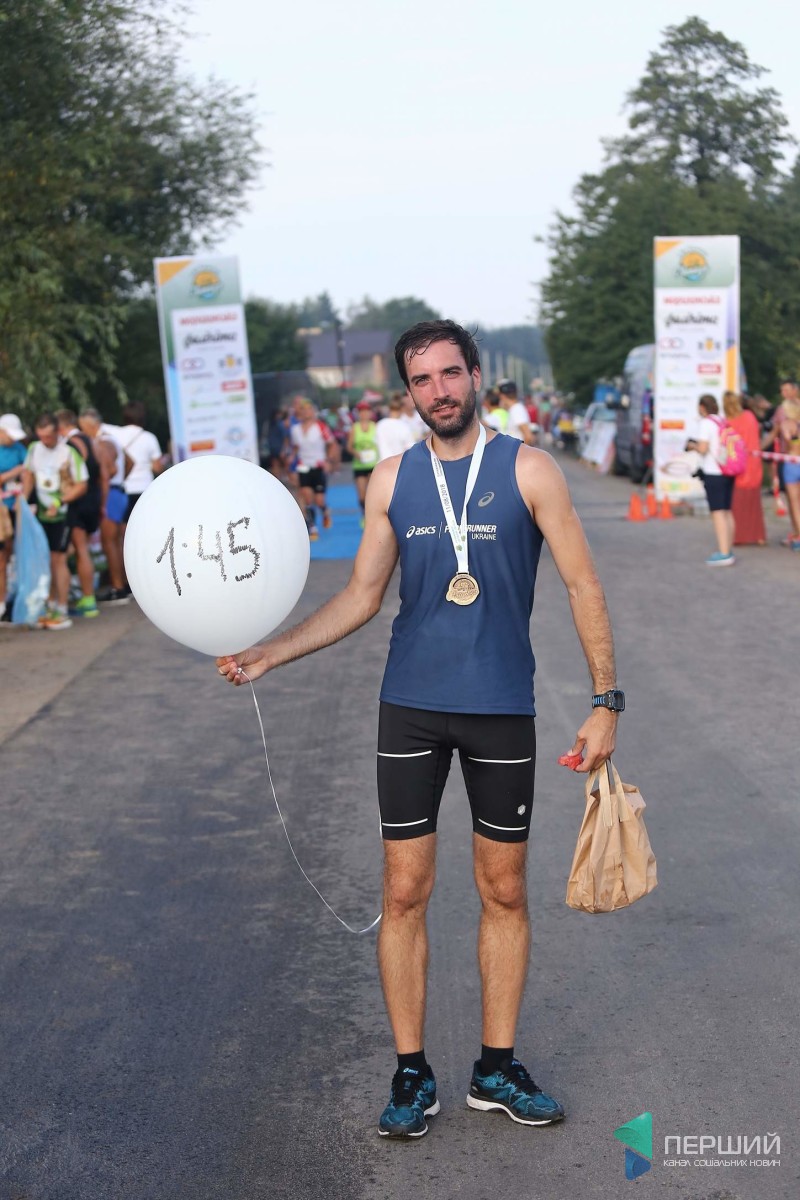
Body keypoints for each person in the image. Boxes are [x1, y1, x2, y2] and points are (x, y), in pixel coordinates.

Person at [217, 319, 622, 1140]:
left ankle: (495, 1068)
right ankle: (411, 1073)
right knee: (403, 891)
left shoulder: (530, 469)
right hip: (411, 708)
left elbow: (582, 584)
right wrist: (272, 652)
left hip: (501, 708)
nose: (439, 391)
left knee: (503, 890)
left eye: (450, 373)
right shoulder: (392, 478)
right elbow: (362, 596)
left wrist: (605, 700)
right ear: (408, 392)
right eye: (422, 380)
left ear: (475, 375)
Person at [22, 413, 89, 629]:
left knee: (58, 559)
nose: (45, 441)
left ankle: (62, 606)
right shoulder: (34, 449)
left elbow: (82, 485)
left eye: (48, 437)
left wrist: (60, 501)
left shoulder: (68, 452)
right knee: (44, 559)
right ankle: (49, 604)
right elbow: (28, 474)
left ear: (58, 432)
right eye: (41, 437)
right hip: (41, 513)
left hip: (63, 513)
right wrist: (24, 499)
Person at [78, 408, 130, 603]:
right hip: (119, 491)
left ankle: (118, 587)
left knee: (110, 542)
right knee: (118, 541)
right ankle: (124, 583)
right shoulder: (114, 439)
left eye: (83, 428)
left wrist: (102, 493)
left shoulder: (102, 442)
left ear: (91, 425)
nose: (82, 432)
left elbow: (109, 470)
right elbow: (130, 462)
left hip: (110, 494)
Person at [55, 409, 102, 618]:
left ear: (60, 426)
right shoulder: (90, 439)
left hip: (78, 501)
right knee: (82, 549)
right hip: (93, 499)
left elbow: (71, 474)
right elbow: (102, 471)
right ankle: (86, 595)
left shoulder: (69, 444)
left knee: (81, 549)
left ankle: (88, 598)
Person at [685, 393, 735, 566]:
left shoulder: (706, 423)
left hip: (714, 472)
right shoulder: (722, 421)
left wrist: (692, 446)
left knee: (717, 513)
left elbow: (703, 448)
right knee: (727, 511)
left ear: (702, 407)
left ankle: (724, 553)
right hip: (728, 470)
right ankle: (728, 548)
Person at [722, 393, 766, 546]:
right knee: (754, 502)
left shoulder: (728, 422)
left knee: (737, 503)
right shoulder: (750, 416)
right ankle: (759, 536)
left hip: (738, 465)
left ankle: (739, 536)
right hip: (754, 463)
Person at [290, 399, 337, 539]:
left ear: (313, 412)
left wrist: (328, 461)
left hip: (318, 465)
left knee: (319, 500)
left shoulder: (320, 427)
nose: (306, 413)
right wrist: (291, 459)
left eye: (309, 410)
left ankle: (325, 511)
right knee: (307, 497)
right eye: (303, 410)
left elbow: (332, 444)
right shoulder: (295, 430)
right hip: (303, 466)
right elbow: (296, 447)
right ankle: (312, 527)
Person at [0, 413, 29, 620]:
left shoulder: (19, 449)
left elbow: (28, 472)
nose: (12, 439)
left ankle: (9, 599)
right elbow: (21, 469)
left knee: (11, 555)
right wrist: (14, 472)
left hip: (14, 508)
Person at [774, 396, 800, 549]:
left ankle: (798, 536)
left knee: (794, 503)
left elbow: (788, 441)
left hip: (791, 464)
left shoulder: (786, 424)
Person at [348, 401, 379, 523]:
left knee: (372, 493)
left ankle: (372, 517)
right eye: (361, 412)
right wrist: (356, 453)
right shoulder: (354, 428)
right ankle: (363, 513)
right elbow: (349, 446)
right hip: (359, 465)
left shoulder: (375, 427)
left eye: (366, 411)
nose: (364, 414)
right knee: (362, 495)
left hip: (373, 465)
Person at [375, 395, 415, 463]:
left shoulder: (379, 424)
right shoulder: (404, 426)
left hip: (382, 464)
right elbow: (410, 448)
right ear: (402, 409)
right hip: (399, 464)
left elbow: (375, 443)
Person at [497, 379, 536, 444]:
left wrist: (520, 450)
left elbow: (528, 436)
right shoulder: (514, 409)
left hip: (517, 449)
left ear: (502, 396)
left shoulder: (516, 410)